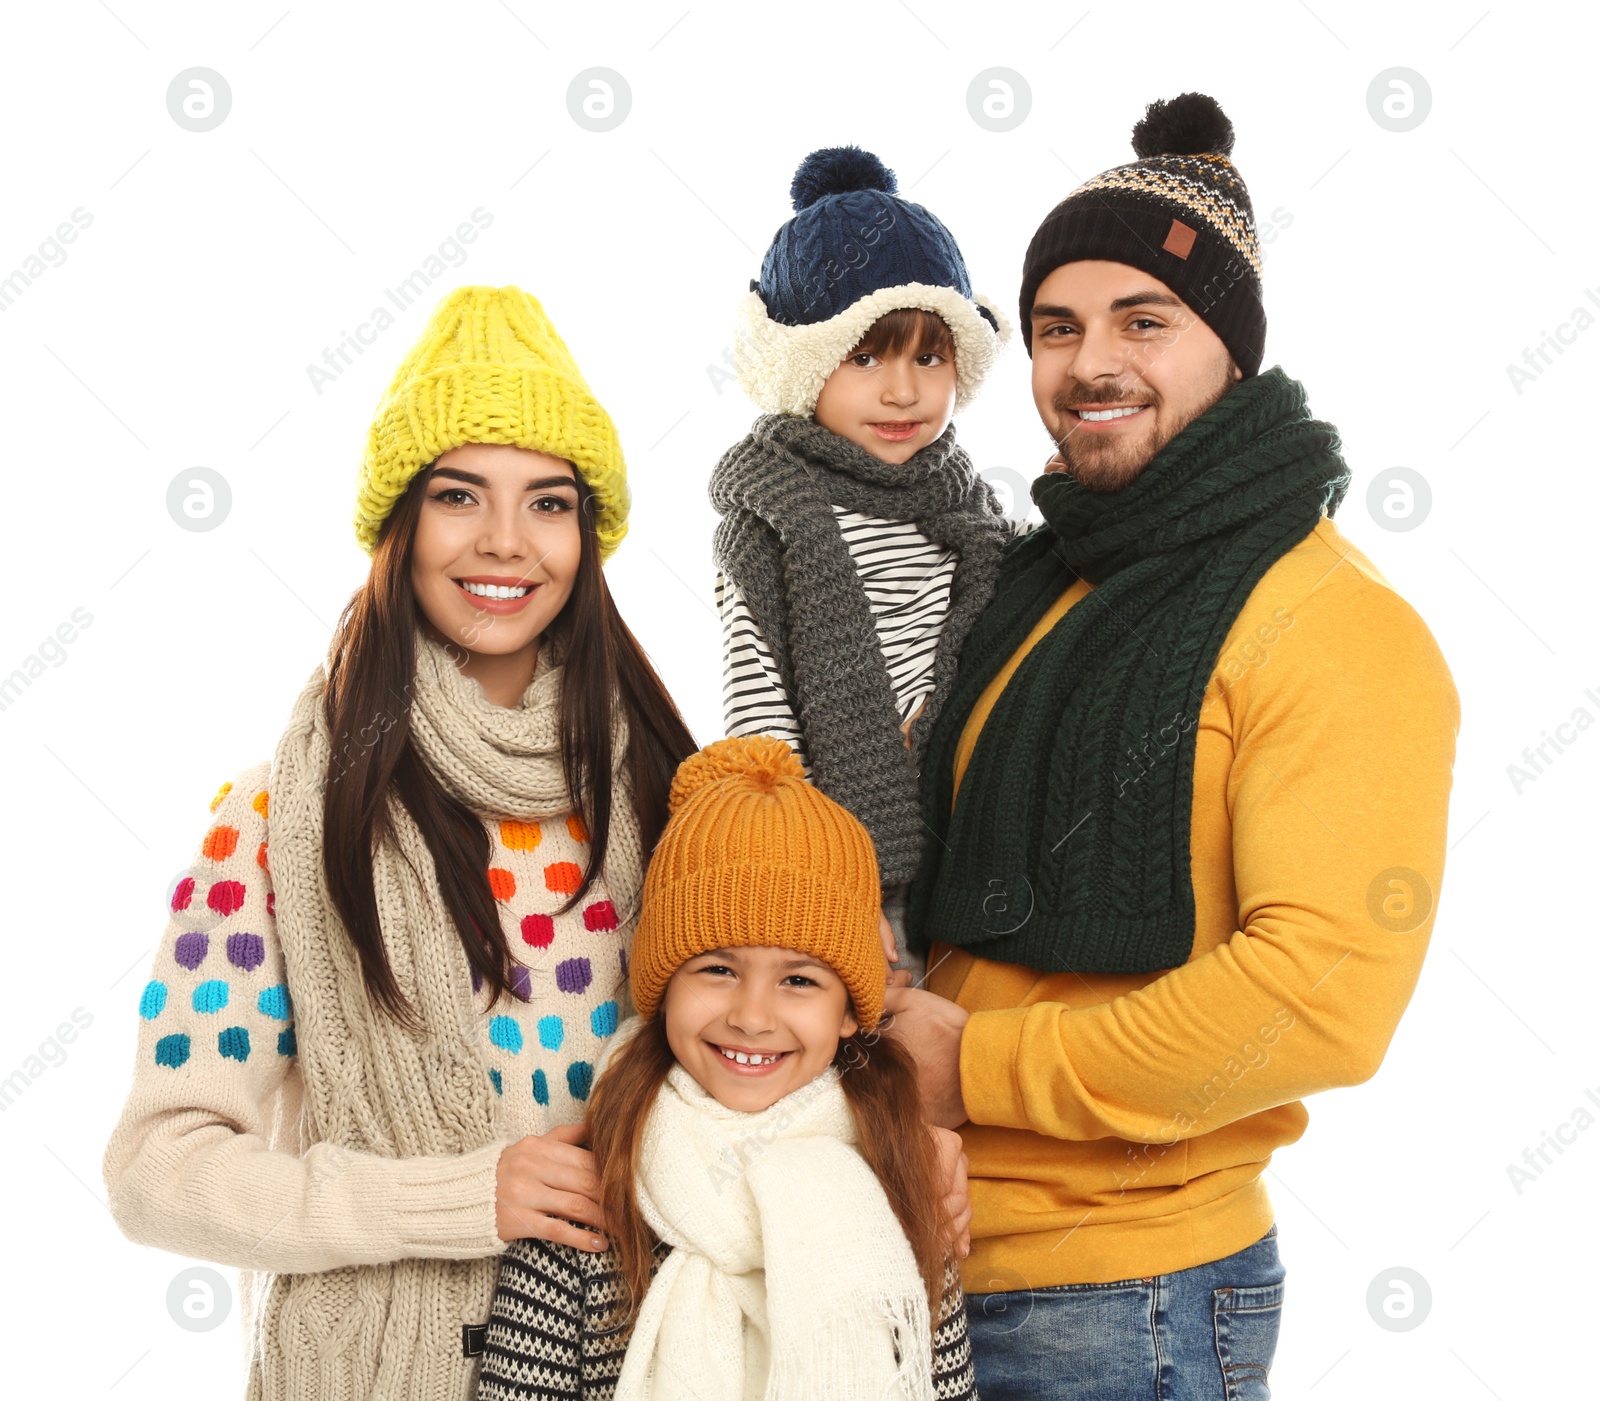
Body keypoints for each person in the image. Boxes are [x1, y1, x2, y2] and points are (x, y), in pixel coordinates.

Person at [882, 93, 1461, 1400]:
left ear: (1233, 353)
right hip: (923, 1260)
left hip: (1122, 1301)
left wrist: (974, 1063)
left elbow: (1319, 995)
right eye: (1056, 327)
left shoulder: (1329, 624)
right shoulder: (1033, 589)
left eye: (1146, 321)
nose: (1092, 363)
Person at [102, 285, 698, 1400]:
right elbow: (155, 1173)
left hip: (649, 1357)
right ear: (401, 524)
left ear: (587, 532)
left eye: (549, 503)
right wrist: (458, 1201)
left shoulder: (671, 800)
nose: (506, 543)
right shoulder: (277, 819)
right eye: (459, 495)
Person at [476, 736, 978, 1400]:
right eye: (718, 968)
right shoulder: (585, 1207)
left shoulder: (901, 1197)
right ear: (662, 987)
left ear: (851, 1012)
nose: (752, 1015)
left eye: (799, 980)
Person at [711, 145, 1014, 976]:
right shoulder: (774, 514)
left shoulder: (971, 509)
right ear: (804, 366)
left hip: (973, 845)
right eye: (866, 356)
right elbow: (761, 718)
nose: (904, 391)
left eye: (929, 356)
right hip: (840, 856)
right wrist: (824, 880)